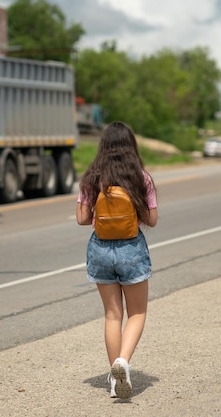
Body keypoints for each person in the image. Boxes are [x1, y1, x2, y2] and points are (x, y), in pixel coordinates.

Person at [76, 121, 158, 399]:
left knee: (113, 315)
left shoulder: (91, 178)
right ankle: (123, 361)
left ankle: (114, 381)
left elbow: (81, 219)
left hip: (99, 250)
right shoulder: (140, 177)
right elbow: (152, 220)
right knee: (137, 313)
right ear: (131, 146)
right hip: (131, 249)